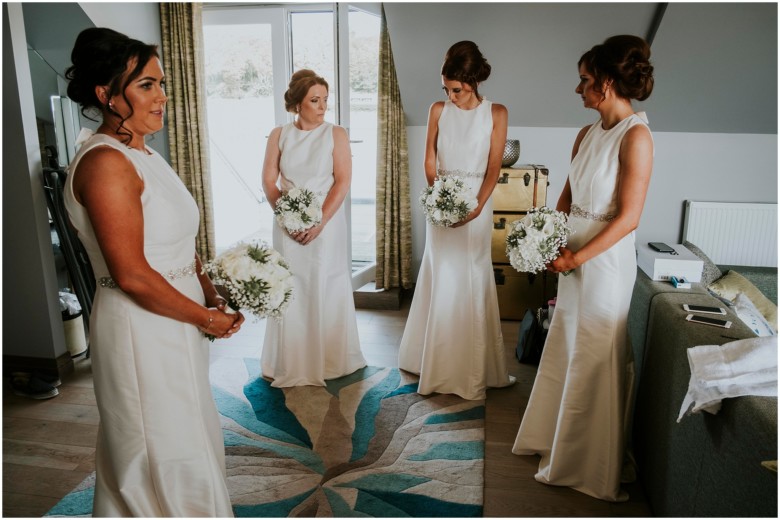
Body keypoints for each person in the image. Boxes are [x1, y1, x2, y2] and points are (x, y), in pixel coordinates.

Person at [63, 27, 243, 516]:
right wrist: (206, 319)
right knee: (155, 444)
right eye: (146, 85)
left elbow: (180, 245)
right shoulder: (106, 164)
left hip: (175, 318)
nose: (163, 96)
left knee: (186, 431)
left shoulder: (144, 153)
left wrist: (210, 294)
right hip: (140, 326)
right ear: (106, 95)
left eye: (161, 83)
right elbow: (133, 275)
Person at [512, 34, 655, 502]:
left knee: (594, 354)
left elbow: (628, 217)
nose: (579, 89)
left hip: (604, 264)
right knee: (567, 344)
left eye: (585, 80)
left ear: (608, 83)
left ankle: (587, 463)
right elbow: (566, 200)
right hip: (570, 257)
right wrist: (548, 242)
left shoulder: (637, 137)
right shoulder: (586, 133)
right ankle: (555, 441)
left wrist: (577, 256)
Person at [398, 41, 515, 401]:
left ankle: (471, 364)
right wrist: (439, 197)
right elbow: (429, 160)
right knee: (441, 272)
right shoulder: (437, 110)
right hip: (442, 206)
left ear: (473, 81)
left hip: (477, 204)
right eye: (446, 89)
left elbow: (495, 166)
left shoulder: (496, 112)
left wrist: (477, 206)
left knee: (469, 274)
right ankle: (430, 358)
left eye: (458, 90)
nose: (451, 96)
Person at [260, 69, 366, 387]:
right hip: (287, 224)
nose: (322, 107)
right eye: (314, 100)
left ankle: (331, 359)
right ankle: (289, 360)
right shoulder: (279, 134)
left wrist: (319, 221)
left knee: (326, 282)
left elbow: (343, 181)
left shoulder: (336, 133)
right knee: (291, 288)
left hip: (327, 223)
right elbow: (268, 180)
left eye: (325, 100)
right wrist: (287, 217)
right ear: (297, 104)